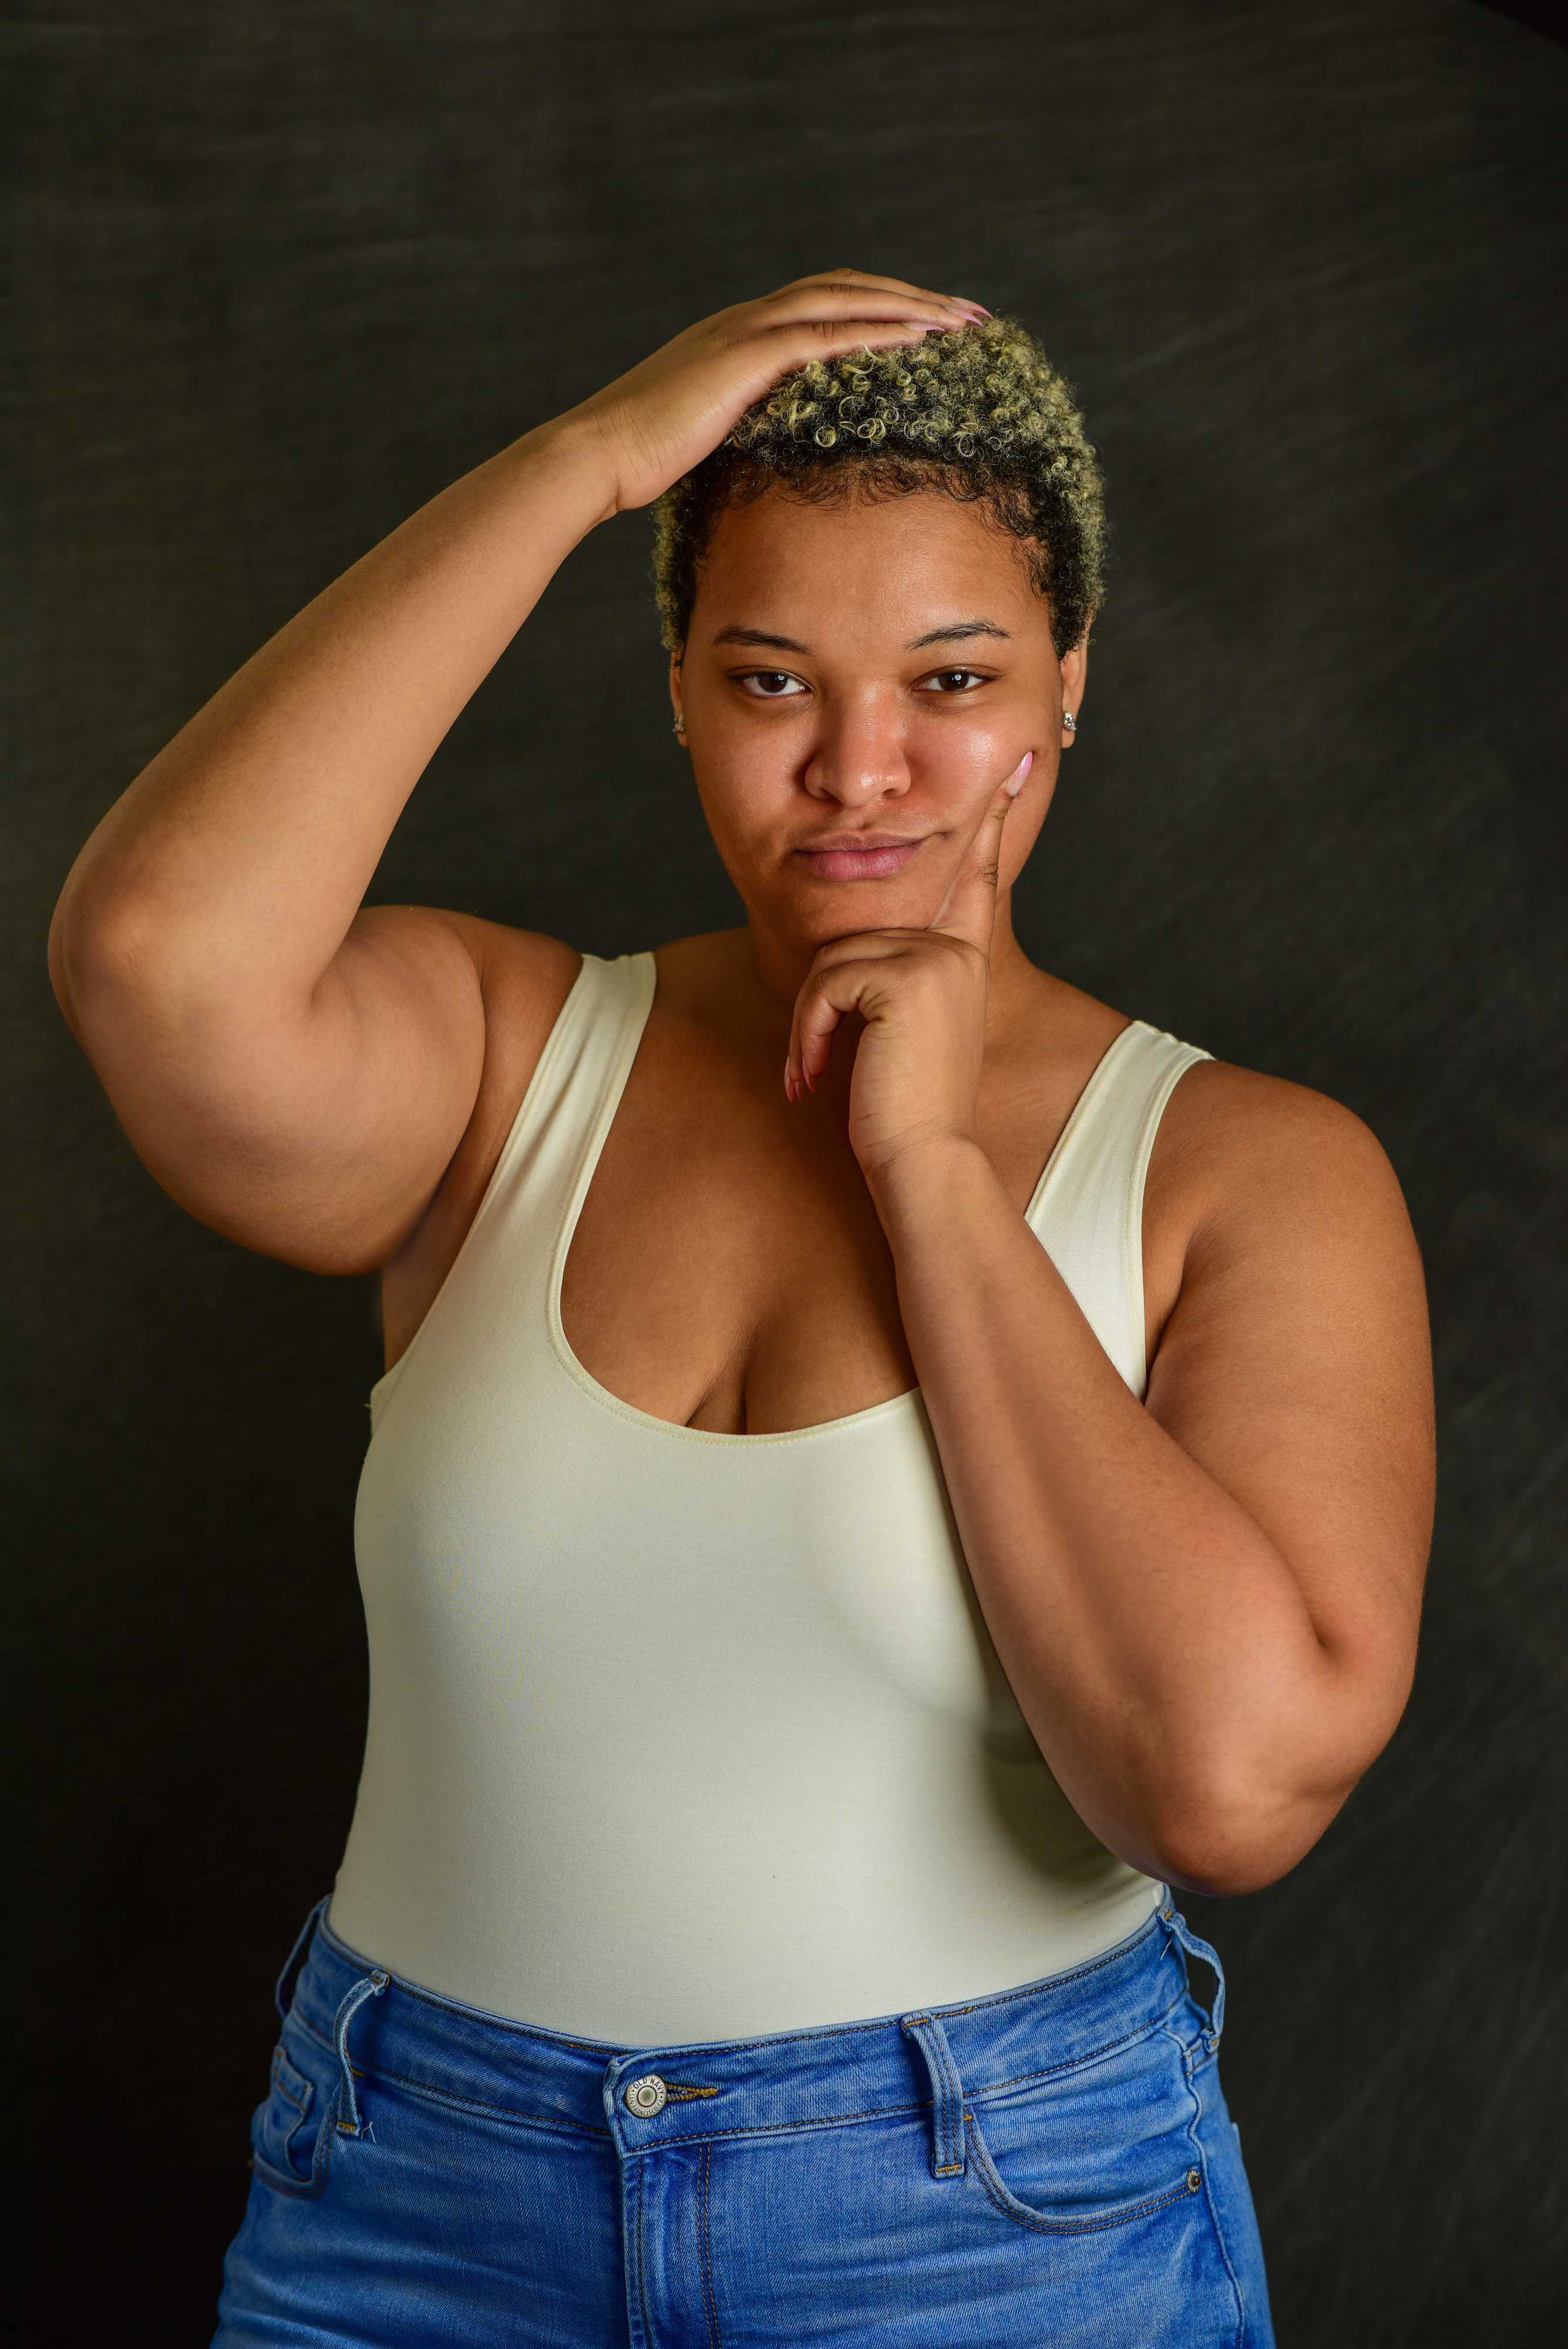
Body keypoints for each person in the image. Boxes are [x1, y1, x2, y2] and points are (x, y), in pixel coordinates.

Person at [48, 268, 1434, 2347]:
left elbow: (1223, 1785)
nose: (863, 771)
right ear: (679, 692)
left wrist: (934, 1176)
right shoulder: (513, 1060)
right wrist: (587, 466)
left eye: (951, 678)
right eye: (771, 680)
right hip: (413, 2212)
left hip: (986, 2227)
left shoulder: (1244, 1167)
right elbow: (157, 961)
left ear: (1071, 680)